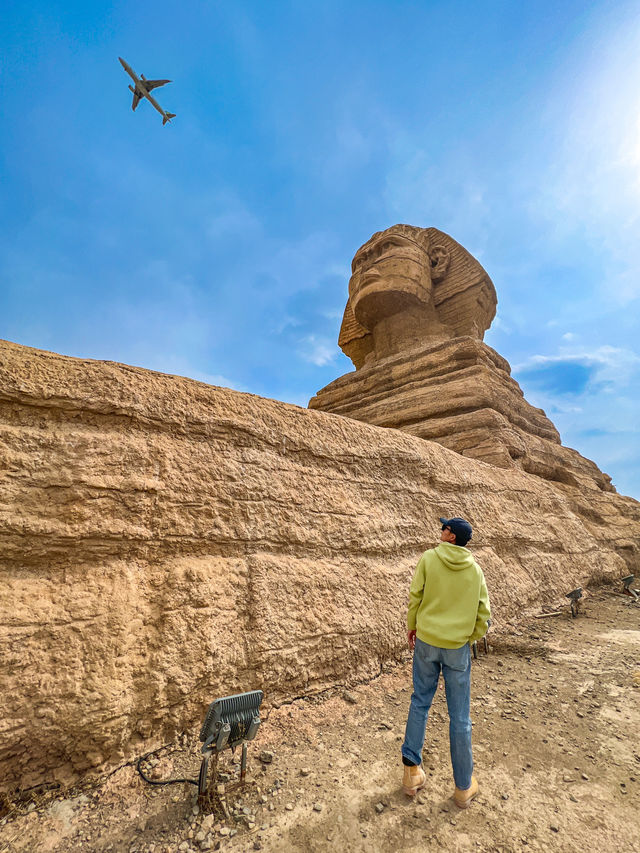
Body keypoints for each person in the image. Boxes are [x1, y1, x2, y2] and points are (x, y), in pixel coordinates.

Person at [401, 516, 490, 809]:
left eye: (445, 528)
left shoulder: (429, 558)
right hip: (456, 649)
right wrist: (467, 638)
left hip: (427, 641)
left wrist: (413, 626)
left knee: (420, 702)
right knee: (460, 716)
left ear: (452, 536)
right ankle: (464, 787)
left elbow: (416, 597)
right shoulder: (475, 571)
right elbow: (483, 616)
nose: (441, 530)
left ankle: (412, 774)